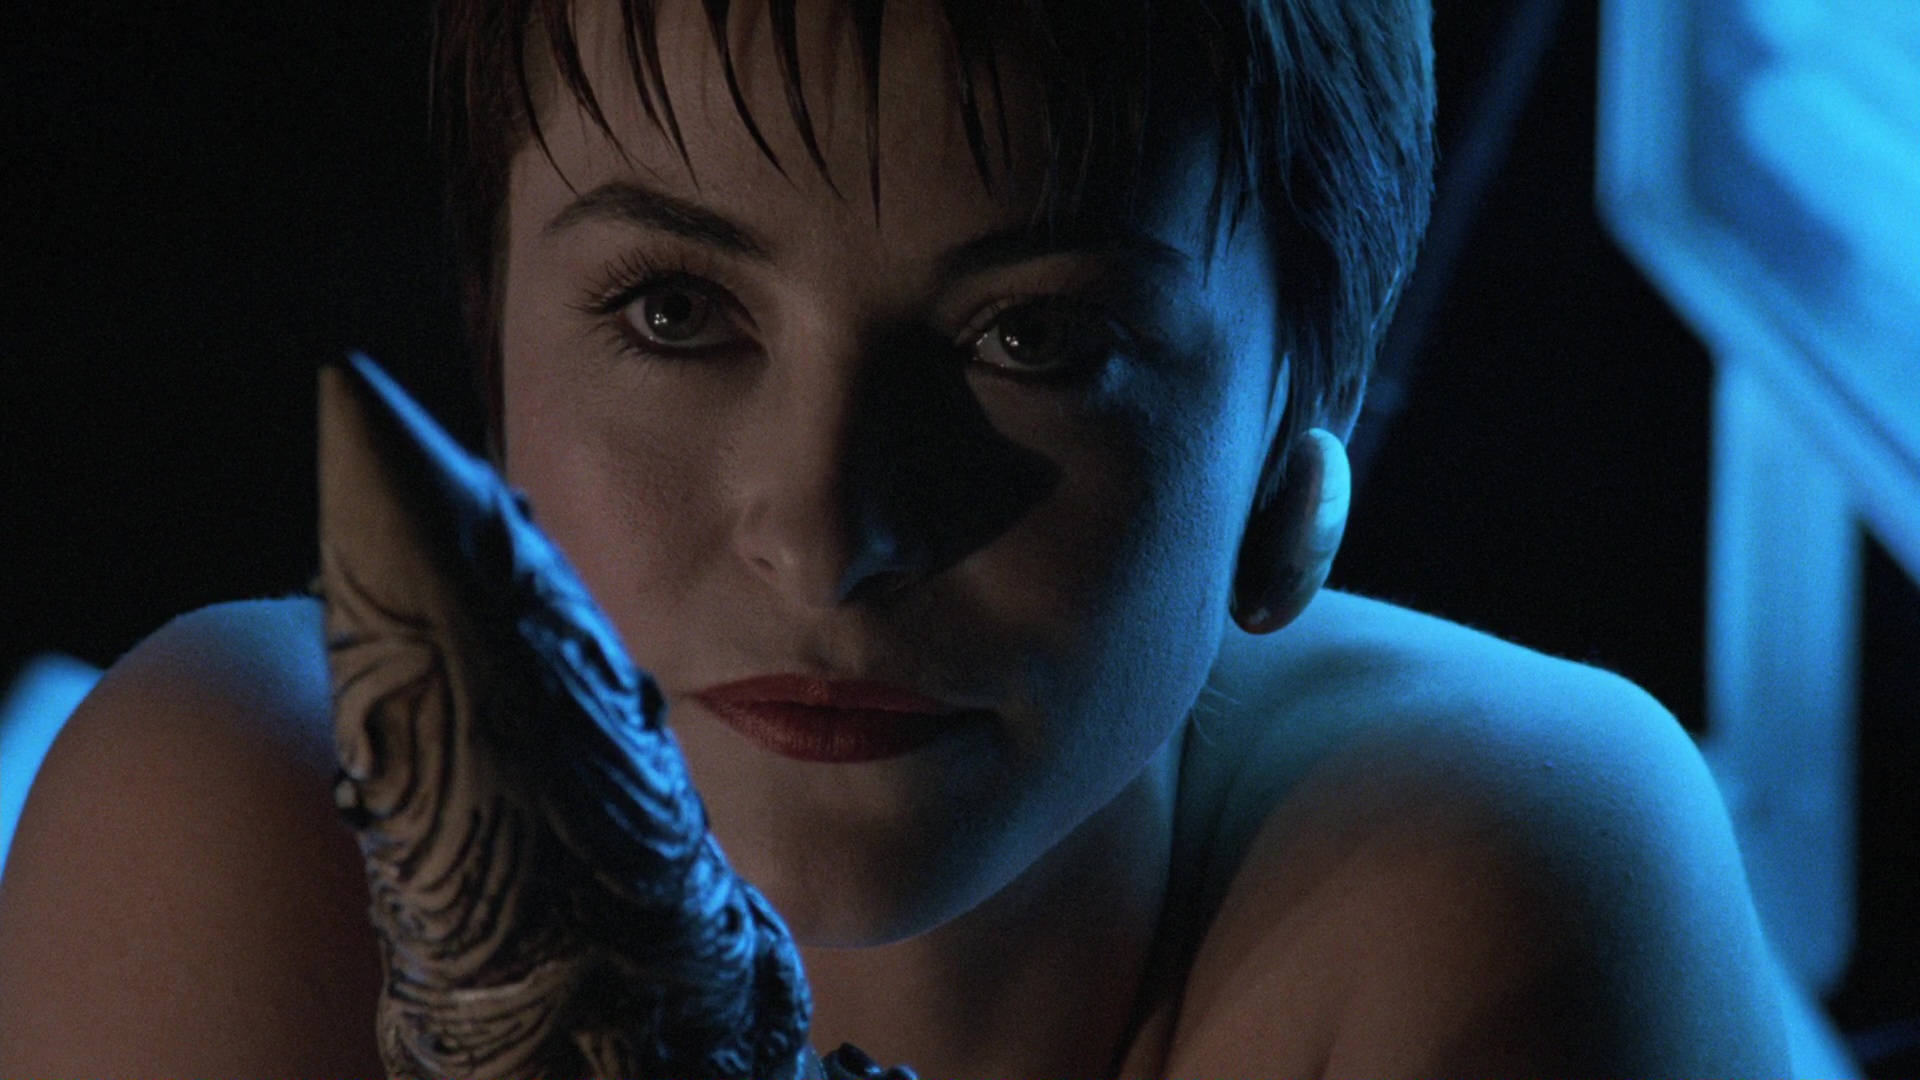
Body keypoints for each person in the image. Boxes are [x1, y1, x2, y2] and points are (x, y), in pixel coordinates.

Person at [0, 0, 1791, 1075]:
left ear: (1286, 459)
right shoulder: (259, 822)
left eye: (1036, 338)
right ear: (495, 364)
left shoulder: (1500, 879)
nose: (823, 531)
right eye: (676, 312)